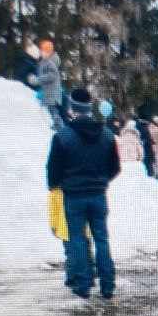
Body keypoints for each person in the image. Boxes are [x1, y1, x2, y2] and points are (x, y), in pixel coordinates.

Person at [46, 87, 120, 299]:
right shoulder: (106, 135)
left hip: (74, 196)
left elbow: (53, 171)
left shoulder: (63, 136)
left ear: (72, 108)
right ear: (90, 107)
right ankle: (108, 284)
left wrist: (58, 185)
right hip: (98, 195)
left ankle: (83, 284)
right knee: (102, 239)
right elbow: (114, 167)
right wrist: (101, 180)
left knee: (77, 239)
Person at [37, 40, 63, 129]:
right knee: (51, 109)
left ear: (48, 52)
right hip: (49, 91)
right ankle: (57, 124)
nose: (41, 53)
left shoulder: (50, 62)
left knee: (52, 109)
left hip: (51, 92)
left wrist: (38, 80)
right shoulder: (46, 61)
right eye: (41, 51)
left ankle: (58, 124)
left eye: (43, 51)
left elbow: (53, 75)